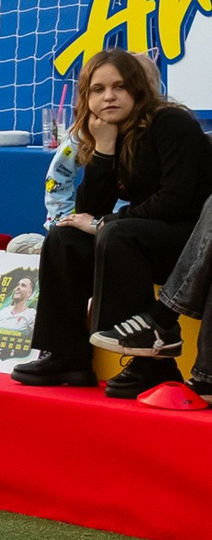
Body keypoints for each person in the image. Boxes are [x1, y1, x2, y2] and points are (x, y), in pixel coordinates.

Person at [14, 48, 210, 395]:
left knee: (119, 233)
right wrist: (104, 150)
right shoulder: (109, 130)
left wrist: (106, 222)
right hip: (151, 234)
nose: (109, 96)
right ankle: (67, 356)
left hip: (194, 243)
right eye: (98, 89)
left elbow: (175, 200)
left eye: (119, 87)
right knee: (64, 238)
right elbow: (88, 209)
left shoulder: (170, 122)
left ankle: (153, 363)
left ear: (137, 89)